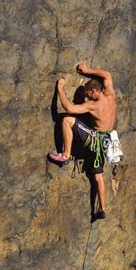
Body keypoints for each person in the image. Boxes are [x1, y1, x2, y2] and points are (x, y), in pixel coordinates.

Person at [47, 61, 117, 219]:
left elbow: (70, 109)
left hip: (96, 140)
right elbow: (107, 75)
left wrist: (60, 89)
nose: (86, 97)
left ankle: (65, 155)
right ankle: (102, 209)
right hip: (108, 142)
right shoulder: (110, 95)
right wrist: (88, 70)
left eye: (87, 94)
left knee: (67, 120)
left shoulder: (94, 105)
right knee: (98, 176)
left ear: (93, 91)